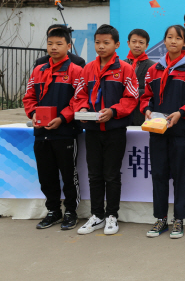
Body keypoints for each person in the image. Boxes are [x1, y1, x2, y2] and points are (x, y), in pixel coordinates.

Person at [140, 25, 185, 239]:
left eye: (178, 38)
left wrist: (181, 113)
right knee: (158, 175)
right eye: (169, 37)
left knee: (179, 176)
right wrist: (146, 109)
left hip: (180, 132)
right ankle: (160, 219)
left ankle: (179, 219)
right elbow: (145, 96)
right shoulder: (154, 70)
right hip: (157, 131)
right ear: (165, 41)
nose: (173, 41)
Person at [74, 24, 139, 235]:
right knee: (94, 175)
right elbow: (80, 94)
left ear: (117, 45)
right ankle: (97, 215)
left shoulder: (126, 69)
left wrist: (113, 111)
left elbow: (131, 98)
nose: (100, 47)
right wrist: (82, 107)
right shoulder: (88, 68)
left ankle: (112, 215)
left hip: (115, 130)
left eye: (106, 43)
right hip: (92, 130)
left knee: (111, 175)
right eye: (97, 43)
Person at [23, 28, 83, 231]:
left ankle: (71, 212)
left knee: (69, 174)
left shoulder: (75, 70)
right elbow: (29, 96)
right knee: (46, 174)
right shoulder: (38, 70)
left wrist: (62, 118)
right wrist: (32, 113)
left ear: (68, 46)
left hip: (65, 132)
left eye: (58, 44)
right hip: (41, 133)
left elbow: (79, 99)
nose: (54, 47)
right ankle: (53, 211)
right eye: (50, 44)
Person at [123, 28, 155, 126]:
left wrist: (129, 92)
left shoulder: (152, 66)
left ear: (147, 46)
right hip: (122, 114)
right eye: (134, 41)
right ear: (128, 43)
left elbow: (152, 90)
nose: (137, 45)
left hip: (141, 114)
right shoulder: (120, 65)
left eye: (141, 42)